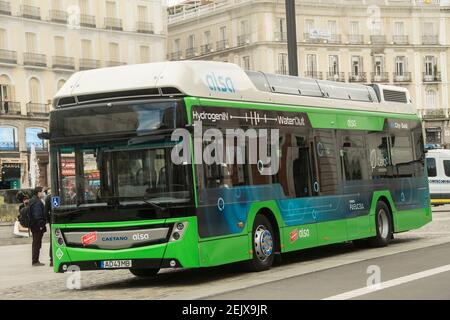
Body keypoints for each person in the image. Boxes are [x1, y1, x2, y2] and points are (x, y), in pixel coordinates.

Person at [29, 187, 47, 267]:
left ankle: (35, 260)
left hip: (34, 226)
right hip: (37, 227)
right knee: (37, 243)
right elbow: (37, 215)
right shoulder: (36, 202)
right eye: (42, 192)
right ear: (38, 193)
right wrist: (41, 225)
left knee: (36, 243)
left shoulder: (34, 200)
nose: (43, 193)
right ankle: (35, 261)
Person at [44, 188, 53, 267]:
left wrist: (48, 220)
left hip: (52, 221)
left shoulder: (48, 198)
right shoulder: (50, 198)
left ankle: (52, 259)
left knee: (53, 239)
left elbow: (46, 211)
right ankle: (52, 259)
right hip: (54, 220)